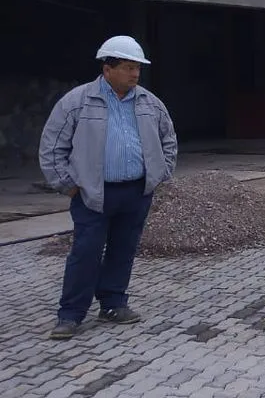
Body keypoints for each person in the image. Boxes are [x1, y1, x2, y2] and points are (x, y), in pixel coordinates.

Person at [39, 36, 178, 340]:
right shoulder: (77, 102)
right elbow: (52, 147)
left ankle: (113, 303)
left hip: (136, 191)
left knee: (123, 249)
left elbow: (168, 139)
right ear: (107, 68)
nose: (135, 74)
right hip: (92, 193)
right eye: (128, 67)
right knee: (85, 252)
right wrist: (68, 185)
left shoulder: (149, 102)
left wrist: (159, 174)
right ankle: (70, 314)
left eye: (137, 68)